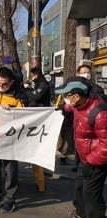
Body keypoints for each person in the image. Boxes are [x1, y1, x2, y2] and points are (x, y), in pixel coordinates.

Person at [54, 76, 107, 218]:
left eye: (67, 95)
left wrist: (90, 161)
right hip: (85, 159)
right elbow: (69, 107)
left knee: (91, 196)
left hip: (96, 161)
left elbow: (106, 146)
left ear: (76, 96)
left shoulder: (100, 114)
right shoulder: (79, 103)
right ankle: (80, 214)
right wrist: (60, 108)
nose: (65, 98)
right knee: (79, 189)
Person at [0, 67, 27, 213]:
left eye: (4, 84)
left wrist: (11, 111)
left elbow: (26, 115)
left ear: (11, 82)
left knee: (10, 170)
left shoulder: (19, 95)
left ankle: (9, 199)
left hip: (10, 139)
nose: (0, 86)